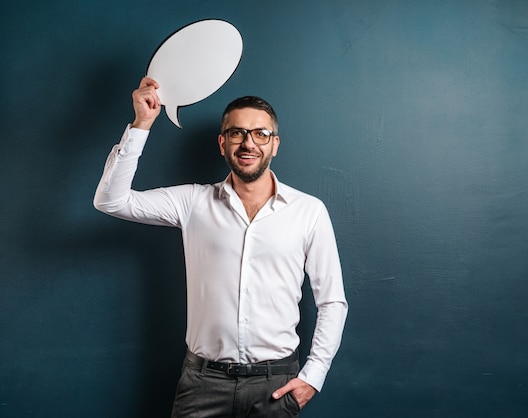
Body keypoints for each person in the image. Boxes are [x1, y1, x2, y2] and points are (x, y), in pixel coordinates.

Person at [93, 77, 348, 417]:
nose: (248, 143)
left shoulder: (309, 211)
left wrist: (313, 377)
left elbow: (332, 301)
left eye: (261, 134)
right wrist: (142, 124)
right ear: (222, 143)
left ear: (275, 145)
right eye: (237, 133)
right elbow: (112, 201)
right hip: (202, 384)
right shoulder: (193, 202)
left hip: (276, 386)